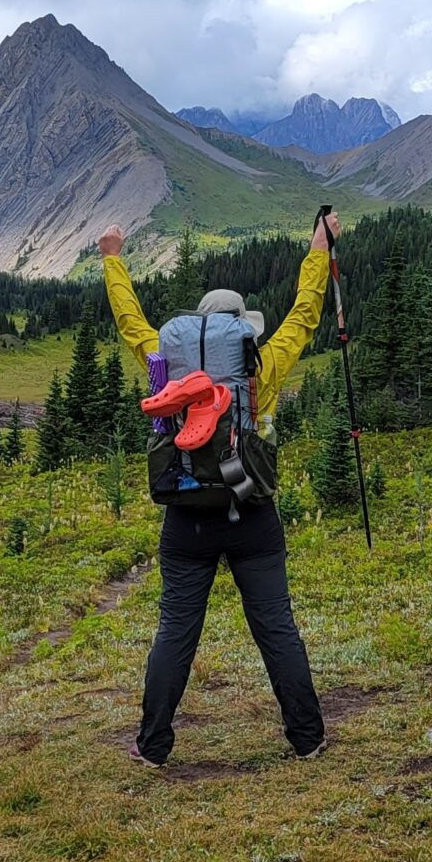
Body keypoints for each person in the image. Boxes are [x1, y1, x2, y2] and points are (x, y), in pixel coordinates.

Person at [98, 215, 339, 768]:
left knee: (174, 632)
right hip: (251, 510)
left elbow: (130, 322)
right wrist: (318, 248)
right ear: (240, 331)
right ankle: (307, 738)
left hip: (186, 518)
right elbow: (305, 313)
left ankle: (153, 746)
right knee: (276, 628)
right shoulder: (261, 366)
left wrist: (113, 259)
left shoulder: (164, 361)